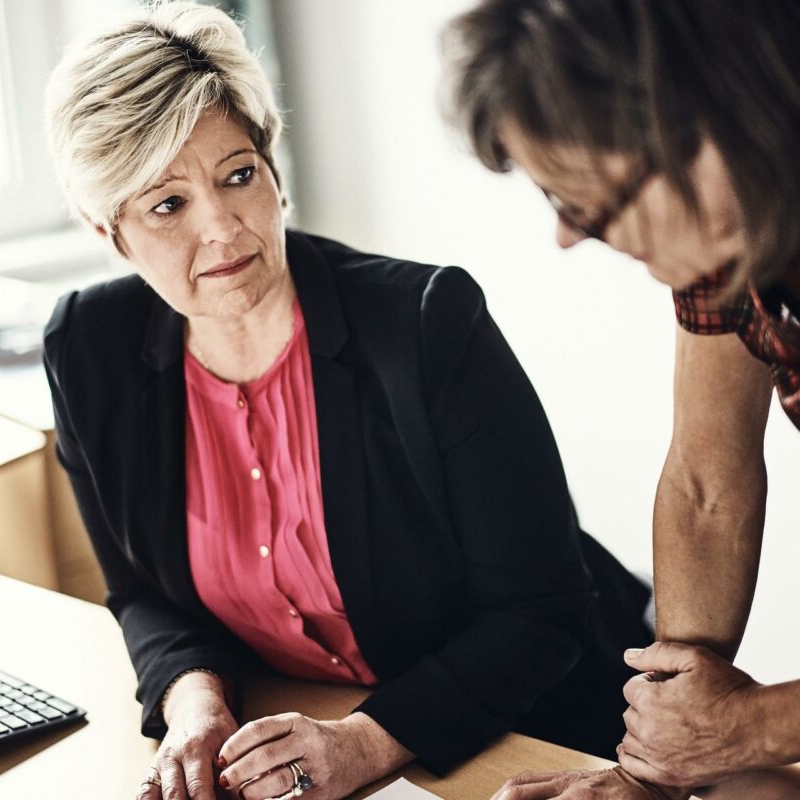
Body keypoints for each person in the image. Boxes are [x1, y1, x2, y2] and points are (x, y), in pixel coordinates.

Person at [42, 4, 652, 800]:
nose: (223, 226)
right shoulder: (89, 350)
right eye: (168, 205)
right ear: (110, 231)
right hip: (299, 744)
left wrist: (363, 745)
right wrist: (193, 701)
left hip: (533, 739)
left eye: (238, 174)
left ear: (274, 171)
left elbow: (542, 613)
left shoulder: (428, 323)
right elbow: (141, 593)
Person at [444, 1, 800, 798]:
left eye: (585, 204)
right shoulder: (753, 176)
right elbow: (706, 481)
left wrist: (739, 728)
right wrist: (656, 768)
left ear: (705, 122)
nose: (569, 236)